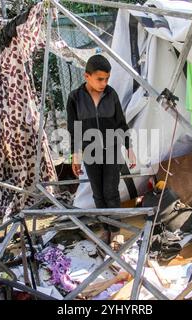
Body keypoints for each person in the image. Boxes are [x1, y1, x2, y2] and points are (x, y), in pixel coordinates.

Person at [66, 54, 136, 242]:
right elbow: (75, 129)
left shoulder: (111, 94)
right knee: (98, 193)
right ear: (86, 76)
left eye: (106, 79)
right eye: (99, 79)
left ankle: (116, 232)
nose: (104, 83)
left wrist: (129, 148)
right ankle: (106, 228)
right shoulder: (75, 98)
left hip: (112, 150)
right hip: (90, 151)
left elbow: (121, 124)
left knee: (111, 191)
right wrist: (76, 155)